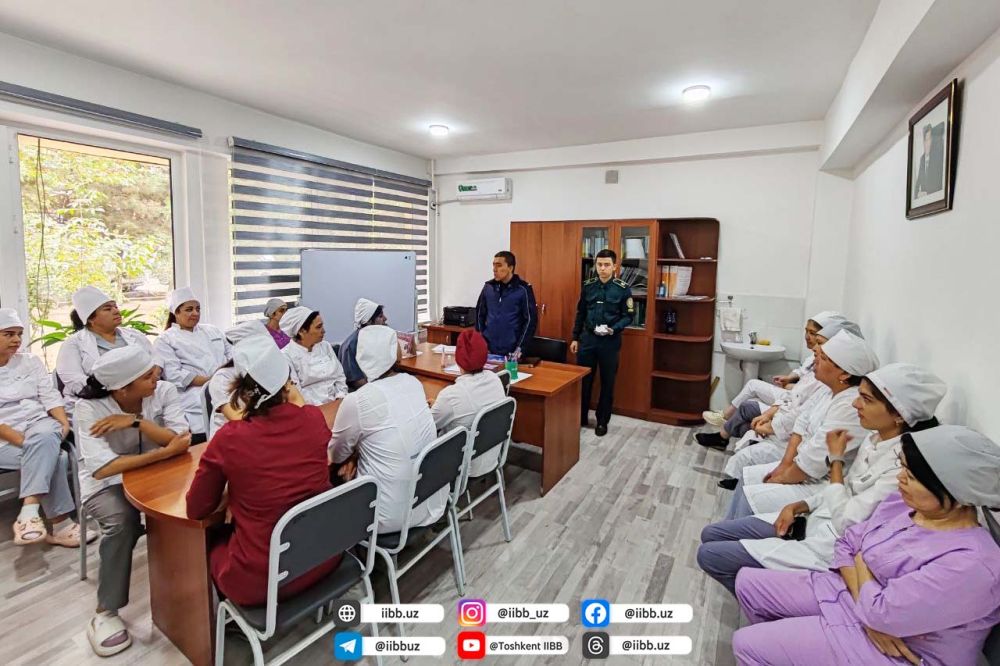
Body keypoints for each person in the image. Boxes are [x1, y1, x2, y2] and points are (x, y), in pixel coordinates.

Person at [732, 426, 1000, 666]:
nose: (900, 479)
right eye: (902, 468)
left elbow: (881, 611)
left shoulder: (972, 564)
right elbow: (846, 542)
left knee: (748, 644)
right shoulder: (903, 504)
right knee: (747, 583)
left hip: (900, 651)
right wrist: (867, 600)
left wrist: (861, 563)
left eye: (912, 476)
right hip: (852, 600)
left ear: (957, 493)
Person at [698, 363, 945, 594]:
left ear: (899, 415)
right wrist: (800, 506)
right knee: (712, 533)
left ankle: (770, 598)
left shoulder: (900, 465)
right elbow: (804, 424)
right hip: (814, 516)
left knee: (712, 555)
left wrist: (835, 461)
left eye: (866, 399)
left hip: (828, 545)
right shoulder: (875, 438)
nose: (856, 404)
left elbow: (846, 519)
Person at [187, 336, 342, 606]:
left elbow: (196, 509)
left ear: (242, 391)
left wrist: (233, 494)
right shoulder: (313, 419)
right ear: (287, 384)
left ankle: (223, 621)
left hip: (263, 581)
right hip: (323, 557)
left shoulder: (230, 438)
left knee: (211, 537)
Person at [74, 345, 191, 656]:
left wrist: (136, 422)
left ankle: (192, 590)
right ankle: (106, 612)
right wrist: (163, 452)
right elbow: (103, 468)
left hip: (160, 472)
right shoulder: (88, 408)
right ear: (122, 388)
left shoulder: (163, 391)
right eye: (147, 376)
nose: (156, 378)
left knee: (197, 502)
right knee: (122, 522)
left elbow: (182, 439)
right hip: (106, 484)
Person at [726, 330, 878, 521]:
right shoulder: (828, 390)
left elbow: (815, 460)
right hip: (798, 462)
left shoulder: (849, 406)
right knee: (747, 476)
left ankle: (733, 531)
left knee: (751, 495)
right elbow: (801, 422)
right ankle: (730, 526)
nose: (815, 359)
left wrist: (783, 476)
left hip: (817, 483)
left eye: (823, 357)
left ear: (845, 373)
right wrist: (784, 466)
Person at [329, 325, 445, 534]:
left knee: (336, 474)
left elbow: (336, 454)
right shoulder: (413, 383)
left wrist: (355, 456)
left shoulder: (357, 401)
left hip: (389, 515)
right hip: (432, 498)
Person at [0, 308, 88, 547]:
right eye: (9, 334)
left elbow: (49, 396)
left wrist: (63, 423)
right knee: (56, 457)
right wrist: (33, 444)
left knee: (47, 436)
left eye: (19, 334)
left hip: (40, 425)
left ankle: (29, 514)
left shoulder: (30, 361)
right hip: (5, 440)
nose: (17, 340)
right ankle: (59, 525)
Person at [700, 311, 839, 433]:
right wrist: (789, 378)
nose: (807, 337)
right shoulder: (813, 356)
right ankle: (725, 421)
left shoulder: (828, 364)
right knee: (752, 387)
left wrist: (791, 386)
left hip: (795, 403)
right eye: (806, 331)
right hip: (792, 397)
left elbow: (810, 390)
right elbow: (802, 371)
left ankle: (725, 425)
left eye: (813, 333)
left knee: (751, 395)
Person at [56, 285, 157, 415]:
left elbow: (155, 362)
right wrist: (114, 390)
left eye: (115, 307)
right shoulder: (73, 343)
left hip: (142, 396)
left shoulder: (135, 335)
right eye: (108, 309)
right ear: (91, 319)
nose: (116, 311)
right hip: (98, 402)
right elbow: (73, 379)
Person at [570, 248, 634, 436]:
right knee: (584, 381)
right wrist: (575, 337)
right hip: (588, 340)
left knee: (607, 383)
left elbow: (628, 316)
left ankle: (602, 422)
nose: (602, 268)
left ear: (615, 267)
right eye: (599, 264)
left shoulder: (622, 288)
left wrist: (614, 328)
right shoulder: (588, 286)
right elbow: (581, 313)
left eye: (607, 265)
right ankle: (581, 417)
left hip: (609, 341)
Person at [153, 287, 232, 437]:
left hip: (228, 387)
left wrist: (225, 378)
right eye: (189, 309)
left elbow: (232, 355)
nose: (195, 313)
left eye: (198, 309)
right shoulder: (165, 339)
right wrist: (212, 381)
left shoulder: (212, 330)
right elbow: (175, 375)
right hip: (194, 398)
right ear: (176, 313)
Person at [430, 328, 506, 477]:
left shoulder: (451, 395)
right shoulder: (495, 379)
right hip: (491, 456)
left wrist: (435, 407)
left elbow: (428, 426)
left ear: (458, 358)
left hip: (462, 466)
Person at [205, 320, 270, 440]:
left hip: (262, 434)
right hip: (232, 440)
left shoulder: (267, 371)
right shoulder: (222, 378)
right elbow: (237, 418)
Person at [475, 251, 538, 357]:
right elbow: (479, 314)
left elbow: (530, 320)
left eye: (499, 265)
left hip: (512, 350)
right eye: (493, 265)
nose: (494, 269)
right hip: (489, 348)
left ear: (510, 268)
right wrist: (481, 340)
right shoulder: (488, 287)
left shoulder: (523, 289)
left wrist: (520, 348)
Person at [281, 306, 348, 405]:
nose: (323, 331)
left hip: (339, 402)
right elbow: (297, 393)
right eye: (318, 327)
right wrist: (325, 408)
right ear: (301, 331)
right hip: (312, 408)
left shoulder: (325, 346)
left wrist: (340, 396)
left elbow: (339, 376)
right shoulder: (286, 356)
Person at [339, 298, 388, 391]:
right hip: (363, 390)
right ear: (368, 322)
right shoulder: (350, 346)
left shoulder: (377, 338)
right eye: (380, 316)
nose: (385, 319)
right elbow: (357, 381)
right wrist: (380, 390)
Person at [914, 122, 945, 198]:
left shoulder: (937, 158)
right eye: (926, 140)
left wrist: (927, 193)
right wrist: (916, 194)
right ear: (923, 142)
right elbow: (918, 182)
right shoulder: (922, 159)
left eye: (930, 139)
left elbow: (939, 184)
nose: (928, 143)